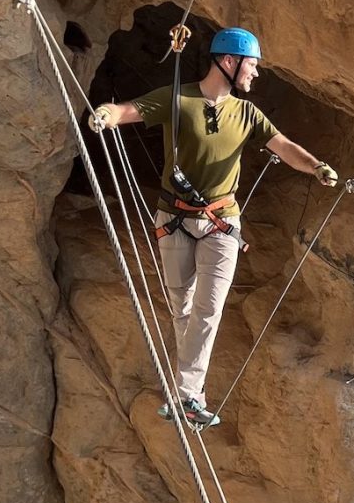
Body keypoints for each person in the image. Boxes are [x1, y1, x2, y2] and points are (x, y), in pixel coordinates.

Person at [87, 26, 337, 428]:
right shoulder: (178, 98)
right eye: (251, 66)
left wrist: (316, 167)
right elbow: (128, 110)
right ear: (228, 61)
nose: (255, 74)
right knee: (181, 306)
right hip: (174, 219)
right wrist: (105, 114)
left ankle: (187, 395)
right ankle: (188, 393)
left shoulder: (247, 114)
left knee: (207, 308)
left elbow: (284, 146)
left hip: (222, 223)